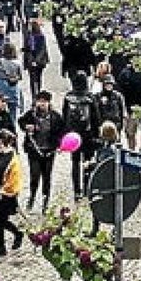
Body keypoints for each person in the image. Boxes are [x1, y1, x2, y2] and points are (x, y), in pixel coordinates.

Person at [19, 90, 65, 214]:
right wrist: (26, 127)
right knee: (34, 176)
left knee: (47, 177)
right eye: (40, 101)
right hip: (34, 150)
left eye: (44, 102)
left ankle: (45, 202)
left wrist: (60, 144)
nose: (42, 104)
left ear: (49, 103)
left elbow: (62, 131)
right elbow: (21, 121)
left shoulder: (56, 117)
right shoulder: (31, 115)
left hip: (49, 151)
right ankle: (32, 198)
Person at [0, 129, 24, 258]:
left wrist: (4, 191)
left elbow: (14, 179)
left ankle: (4, 244)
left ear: (1, 141)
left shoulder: (13, 158)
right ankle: (12, 237)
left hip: (5, 194)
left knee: (0, 220)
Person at [62, 72, 101, 201]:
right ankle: (86, 187)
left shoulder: (68, 97)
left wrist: (65, 134)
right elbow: (96, 118)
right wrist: (97, 135)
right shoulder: (90, 97)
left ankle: (76, 190)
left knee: (75, 163)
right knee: (87, 162)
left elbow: (64, 117)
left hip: (73, 135)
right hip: (88, 135)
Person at [0, 41, 24, 121]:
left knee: (0, 110)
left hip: (1, 87)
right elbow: (20, 76)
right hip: (13, 87)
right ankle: (12, 127)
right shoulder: (17, 63)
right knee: (13, 111)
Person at [22, 19, 50, 98]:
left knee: (38, 77)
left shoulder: (41, 36)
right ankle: (33, 95)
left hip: (39, 61)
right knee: (32, 79)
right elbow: (27, 48)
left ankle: (38, 92)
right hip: (30, 60)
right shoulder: (28, 36)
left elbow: (42, 49)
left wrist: (36, 60)